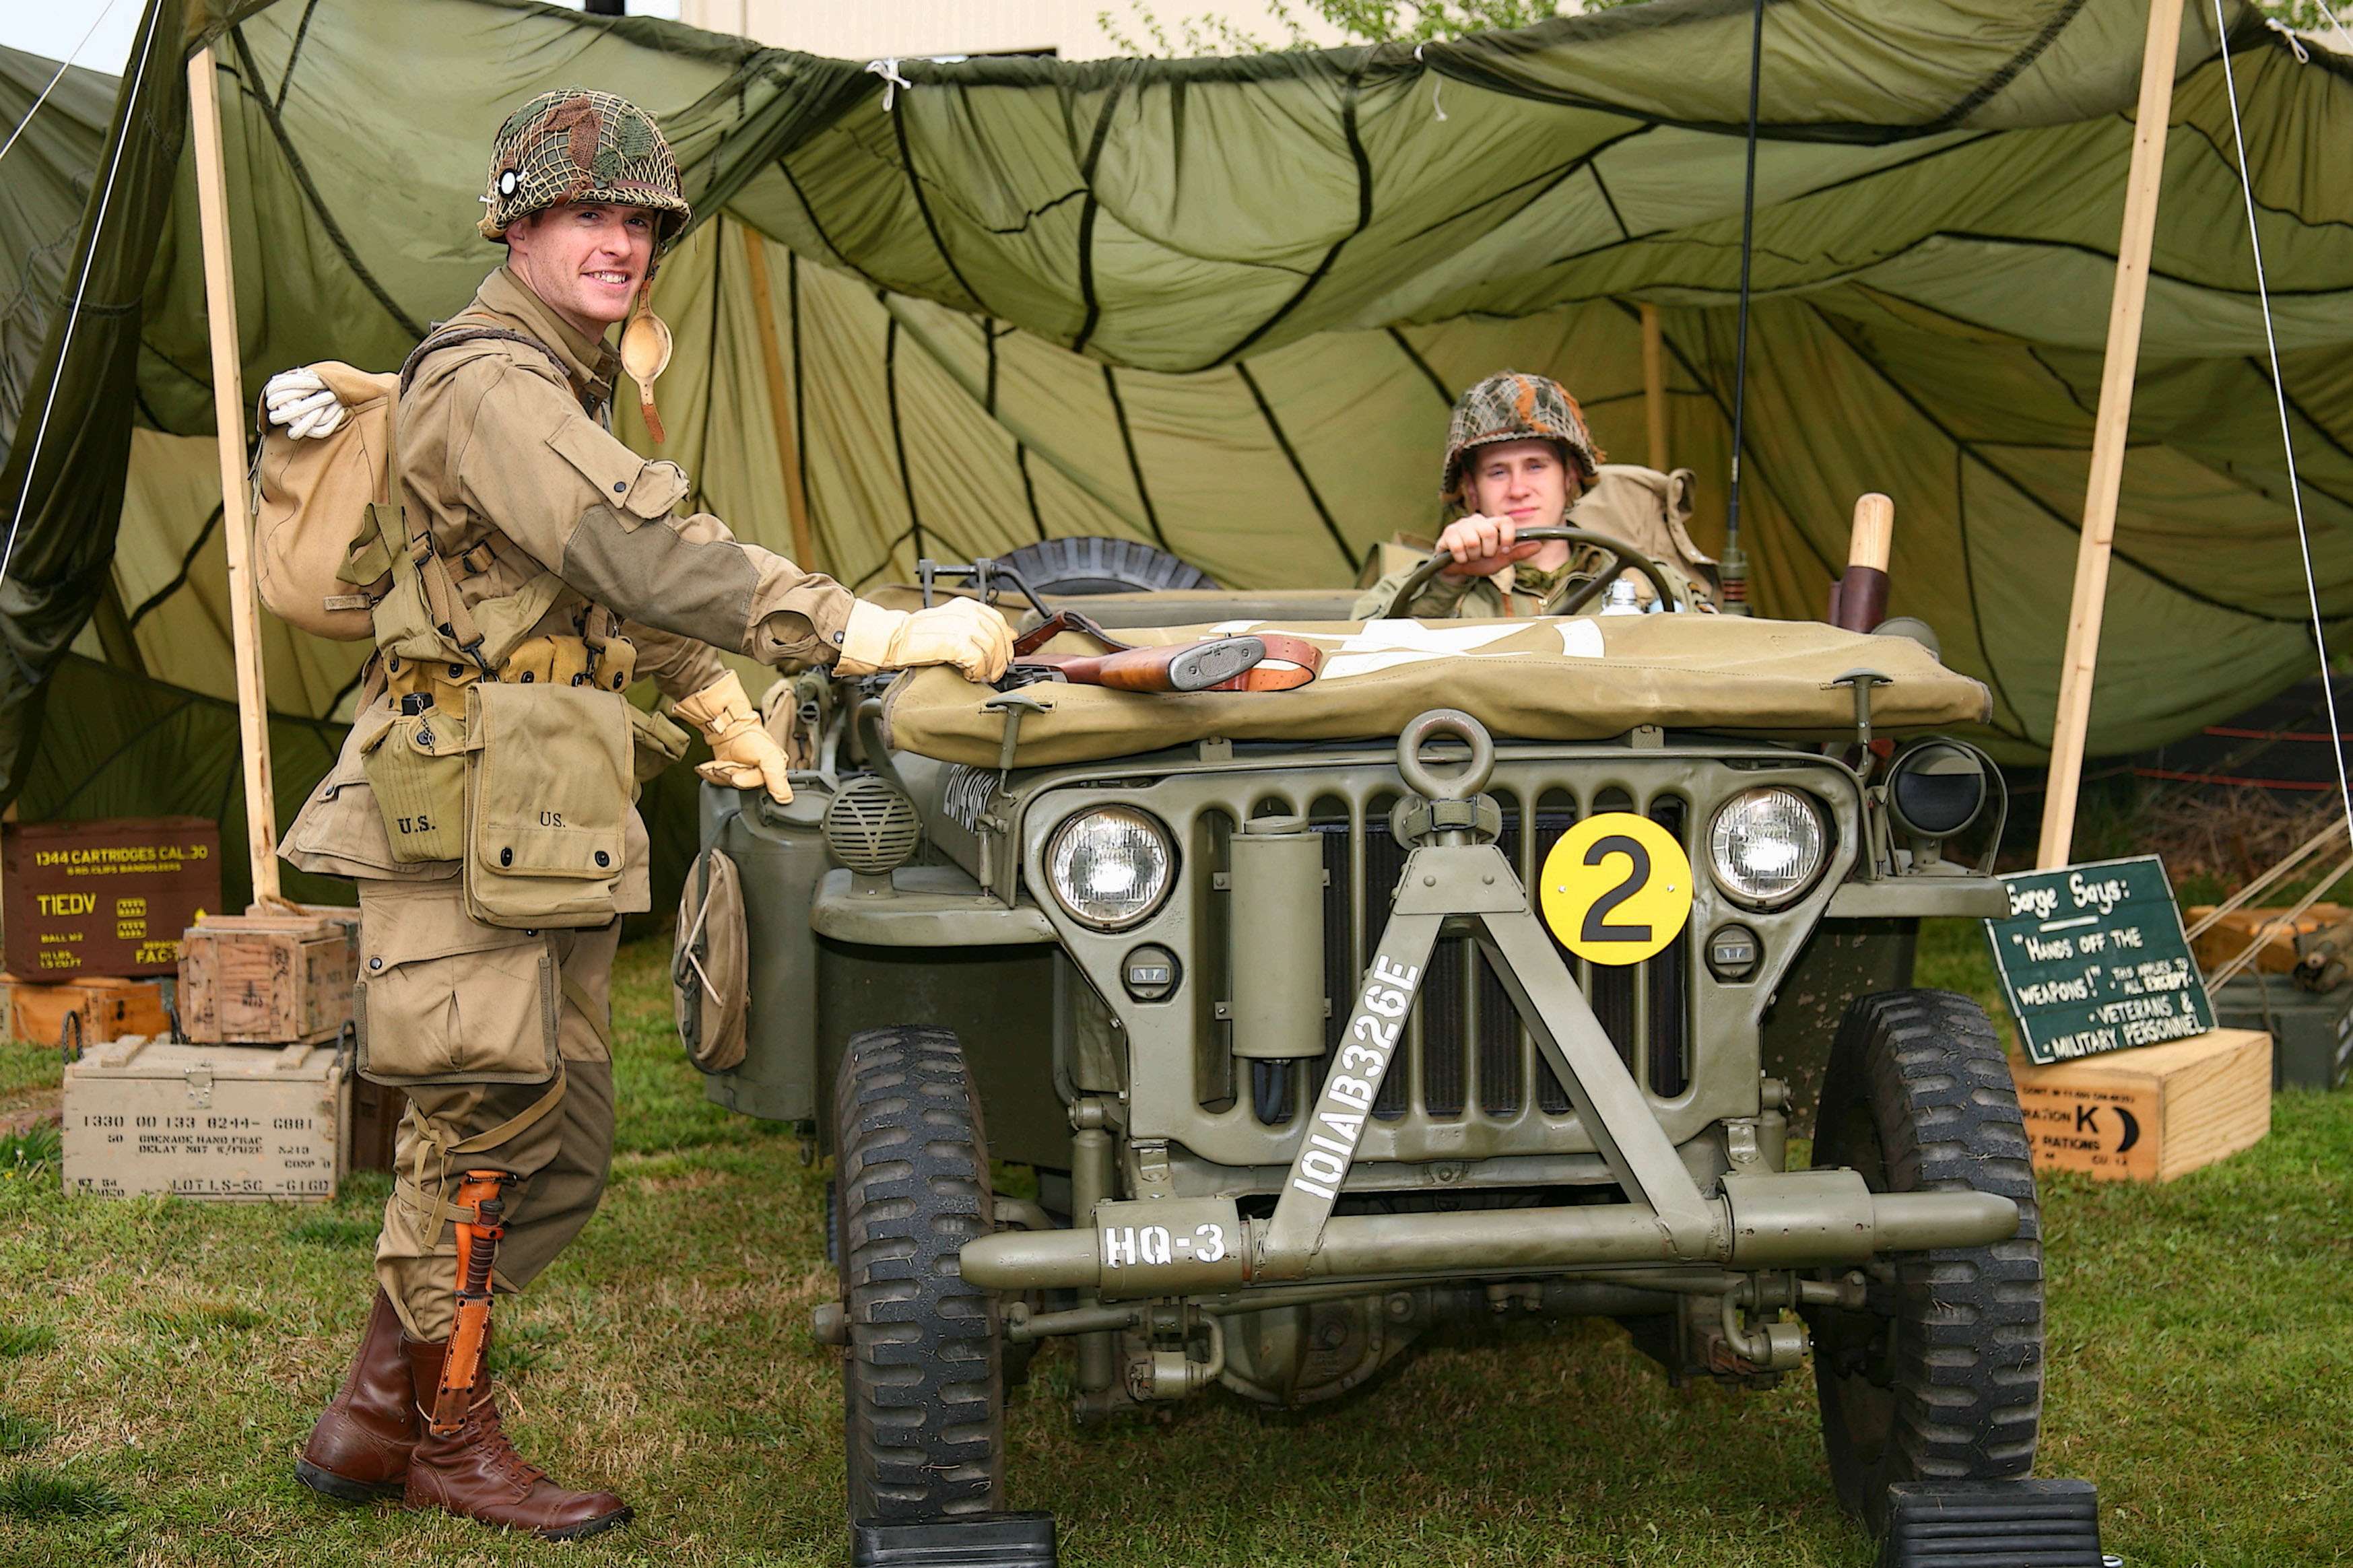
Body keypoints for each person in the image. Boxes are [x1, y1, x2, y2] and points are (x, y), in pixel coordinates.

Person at [271, 90, 1012, 1541]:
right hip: (459, 804)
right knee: (490, 1124)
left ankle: (373, 1415)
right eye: (586, 213)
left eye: (639, 220)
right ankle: (442, 1432)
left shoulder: (561, 375)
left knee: (547, 1131)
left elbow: (588, 583)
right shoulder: (494, 381)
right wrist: (848, 628)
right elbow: (629, 541)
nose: (620, 241)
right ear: (517, 224)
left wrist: (713, 697)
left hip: (534, 796)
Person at [1352, 370, 1716, 619]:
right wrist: (1448, 578)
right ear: (1471, 491)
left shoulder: (1646, 580)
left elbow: (1711, 660)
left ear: (1570, 477)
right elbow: (1365, 655)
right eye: (1497, 472)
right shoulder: (1428, 583)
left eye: (1536, 466)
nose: (1519, 489)